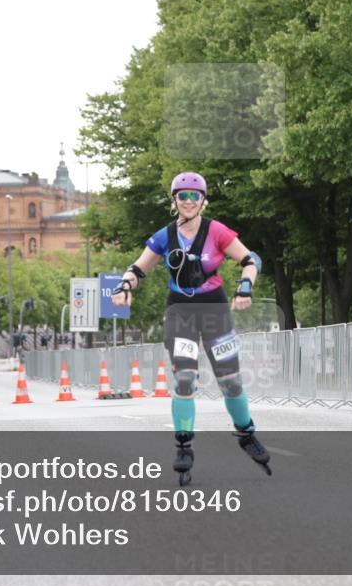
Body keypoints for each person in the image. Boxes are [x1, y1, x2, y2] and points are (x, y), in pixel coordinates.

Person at [111, 171, 270, 485]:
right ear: (174, 201)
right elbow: (137, 268)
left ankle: (246, 433)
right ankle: (183, 446)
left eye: (193, 196)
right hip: (180, 310)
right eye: (181, 196)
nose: (187, 201)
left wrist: (245, 286)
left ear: (203, 200)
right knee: (185, 379)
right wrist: (124, 287)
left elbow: (251, 259)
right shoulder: (164, 235)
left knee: (231, 381)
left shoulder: (217, 231)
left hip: (214, 309)